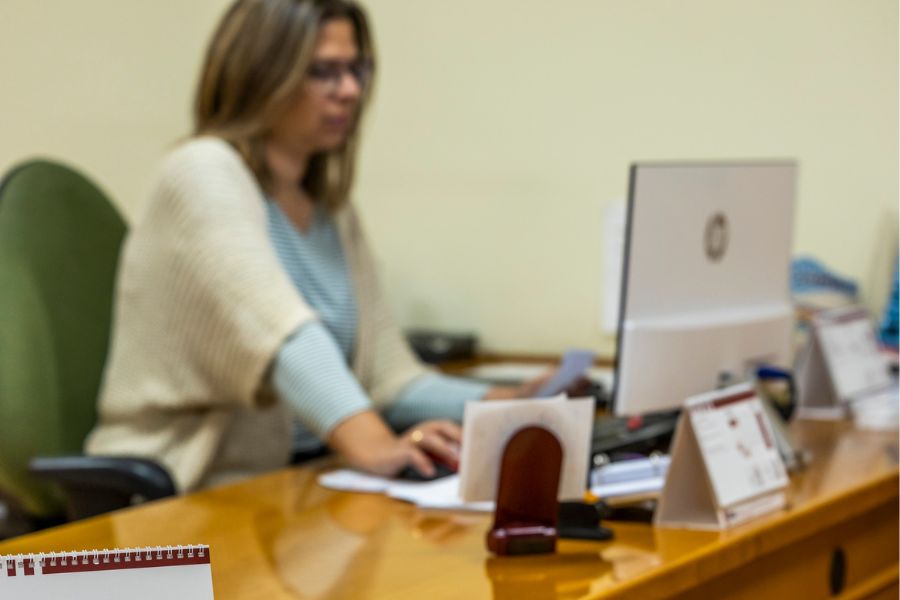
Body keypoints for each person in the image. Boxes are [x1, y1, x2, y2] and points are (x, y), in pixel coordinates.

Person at [85, 0, 549, 493]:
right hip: (188, 487)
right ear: (262, 75)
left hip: (298, 482)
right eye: (323, 72)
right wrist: (376, 444)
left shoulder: (332, 211)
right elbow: (283, 339)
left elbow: (391, 380)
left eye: (356, 70)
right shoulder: (202, 173)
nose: (349, 91)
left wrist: (516, 403)